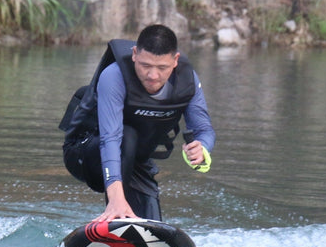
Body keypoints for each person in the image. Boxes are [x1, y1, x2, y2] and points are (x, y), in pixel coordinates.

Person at [59, 24, 216, 222]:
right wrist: (116, 200)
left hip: (135, 162)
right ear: (134, 54)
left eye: (162, 68)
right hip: (87, 153)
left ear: (175, 60)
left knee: (152, 225)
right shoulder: (114, 76)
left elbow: (204, 130)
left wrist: (202, 148)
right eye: (145, 65)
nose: (153, 76)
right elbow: (111, 139)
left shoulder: (187, 80)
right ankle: (115, 214)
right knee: (127, 135)